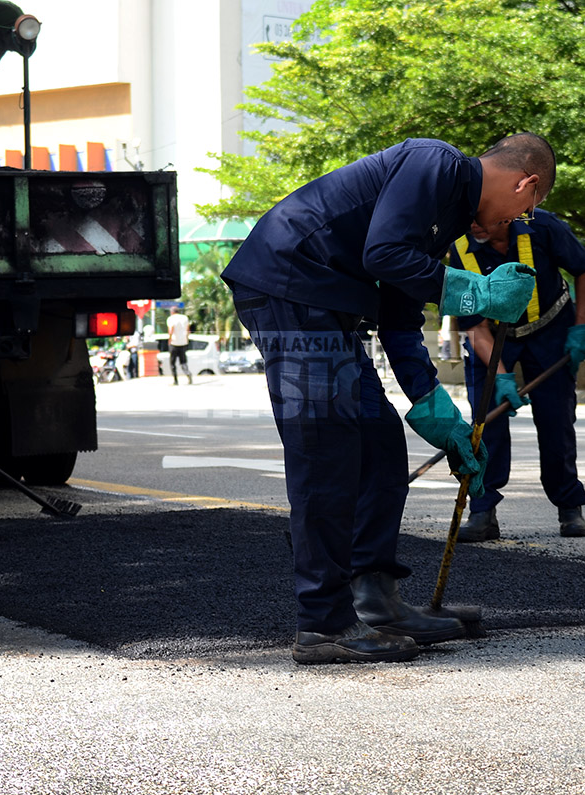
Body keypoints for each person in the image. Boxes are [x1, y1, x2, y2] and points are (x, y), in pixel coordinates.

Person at [222, 133, 550, 664]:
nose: (515, 223)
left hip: (326, 307)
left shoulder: (444, 214)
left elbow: (400, 323)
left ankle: (373, 600)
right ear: (525, 183)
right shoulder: (434, 163)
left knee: (378, 445)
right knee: (329, 455)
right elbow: (384, 254)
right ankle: (323, 623)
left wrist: (439, 414)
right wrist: (478, 292)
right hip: (291, 288)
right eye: (525, 211)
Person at [449, 213, 585, 543]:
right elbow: (473, 323)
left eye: (481, 218)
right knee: (486, 423)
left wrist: (582, 326)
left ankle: (569, 504)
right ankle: (483, 511)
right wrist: (500, 377)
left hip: (552, 330)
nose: (473, 225)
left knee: (555, 419)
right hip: (491, 336)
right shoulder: (460, 245)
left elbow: (584, 268)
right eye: (468, 217)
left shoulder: (544, 227)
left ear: (503, 213)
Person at [166, 307, 192, 385]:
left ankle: (175, 380)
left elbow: (171, 329)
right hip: (183, 343)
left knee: (172, 363)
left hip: (174, 343)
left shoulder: (171, 319)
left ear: (172, 312)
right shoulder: (185, 318)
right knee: (183, 362)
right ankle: (188, 374)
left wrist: (169, 339)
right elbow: (188, 330)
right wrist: (186, 339)